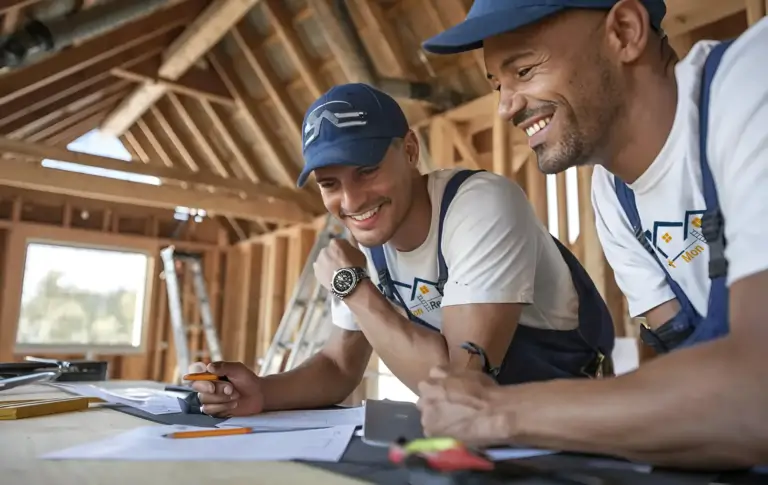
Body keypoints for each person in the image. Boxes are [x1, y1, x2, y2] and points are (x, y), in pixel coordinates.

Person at [415, 0, 768, 470]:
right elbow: (692, 380)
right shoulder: (614, 196)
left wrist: (496, 412)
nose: (505, 107)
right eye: (498, 84)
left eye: (523, 69)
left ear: (624, 31)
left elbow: (755, 396)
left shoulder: (751, 78)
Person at [187, 82, 616, 418]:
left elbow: (458, 385)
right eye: (330, 184)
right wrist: (261, 390)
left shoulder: (479, 203)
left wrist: (353, 288)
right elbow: (339, 367)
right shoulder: (368, 240)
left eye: (367, 170)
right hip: (483, 433)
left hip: (570, 421)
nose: (352, 203)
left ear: (409, 151)